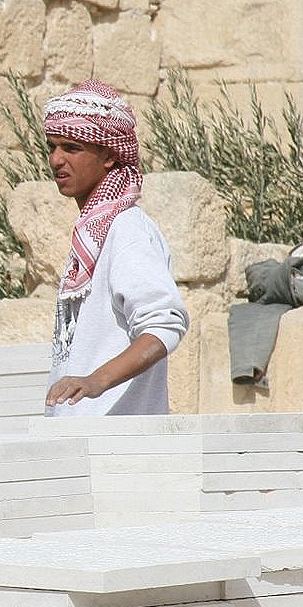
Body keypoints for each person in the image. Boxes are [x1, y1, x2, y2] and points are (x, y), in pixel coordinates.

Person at [42, 80, 189, 415]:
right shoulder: (93, 235)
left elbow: (163, 326)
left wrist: (97, 381)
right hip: (81, 444)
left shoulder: (127, 230)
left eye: (72, 148)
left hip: (116, 446)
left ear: (108, 154)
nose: (56, 160)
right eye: (51, 147)